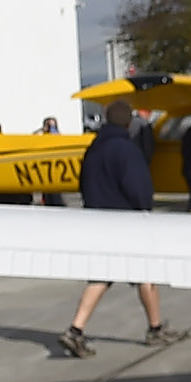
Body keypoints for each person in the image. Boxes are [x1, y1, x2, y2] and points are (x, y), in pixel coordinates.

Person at [59, 99, 177, 358]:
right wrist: (145, 209)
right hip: (126, 222)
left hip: (99, 220)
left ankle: (75, 330)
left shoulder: (94, 148)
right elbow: (139, 188)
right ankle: (155, 329)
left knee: (101, 277)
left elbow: (84, 183)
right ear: (128, 122)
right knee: (145, 273)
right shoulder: (127, 150)